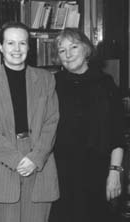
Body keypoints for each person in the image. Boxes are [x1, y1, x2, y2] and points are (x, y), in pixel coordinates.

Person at [0, 21, 59, 222]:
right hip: (1, 165)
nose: (17, 49)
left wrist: (35, 157)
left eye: (22, 43)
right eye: (10, 43)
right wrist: (16, 160)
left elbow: (52, 121)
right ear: (0, 47)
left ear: (28, 47)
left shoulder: (46, 79)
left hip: (39, 163)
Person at [49, 28, 124, 222]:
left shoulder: (105, 84)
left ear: (86, 49)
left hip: (98, 172)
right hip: (61, 173)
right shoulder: (52, 85)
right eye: (62, 50)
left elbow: (117, 133)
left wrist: (114, 172)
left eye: (73, 47)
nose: (68, 54)